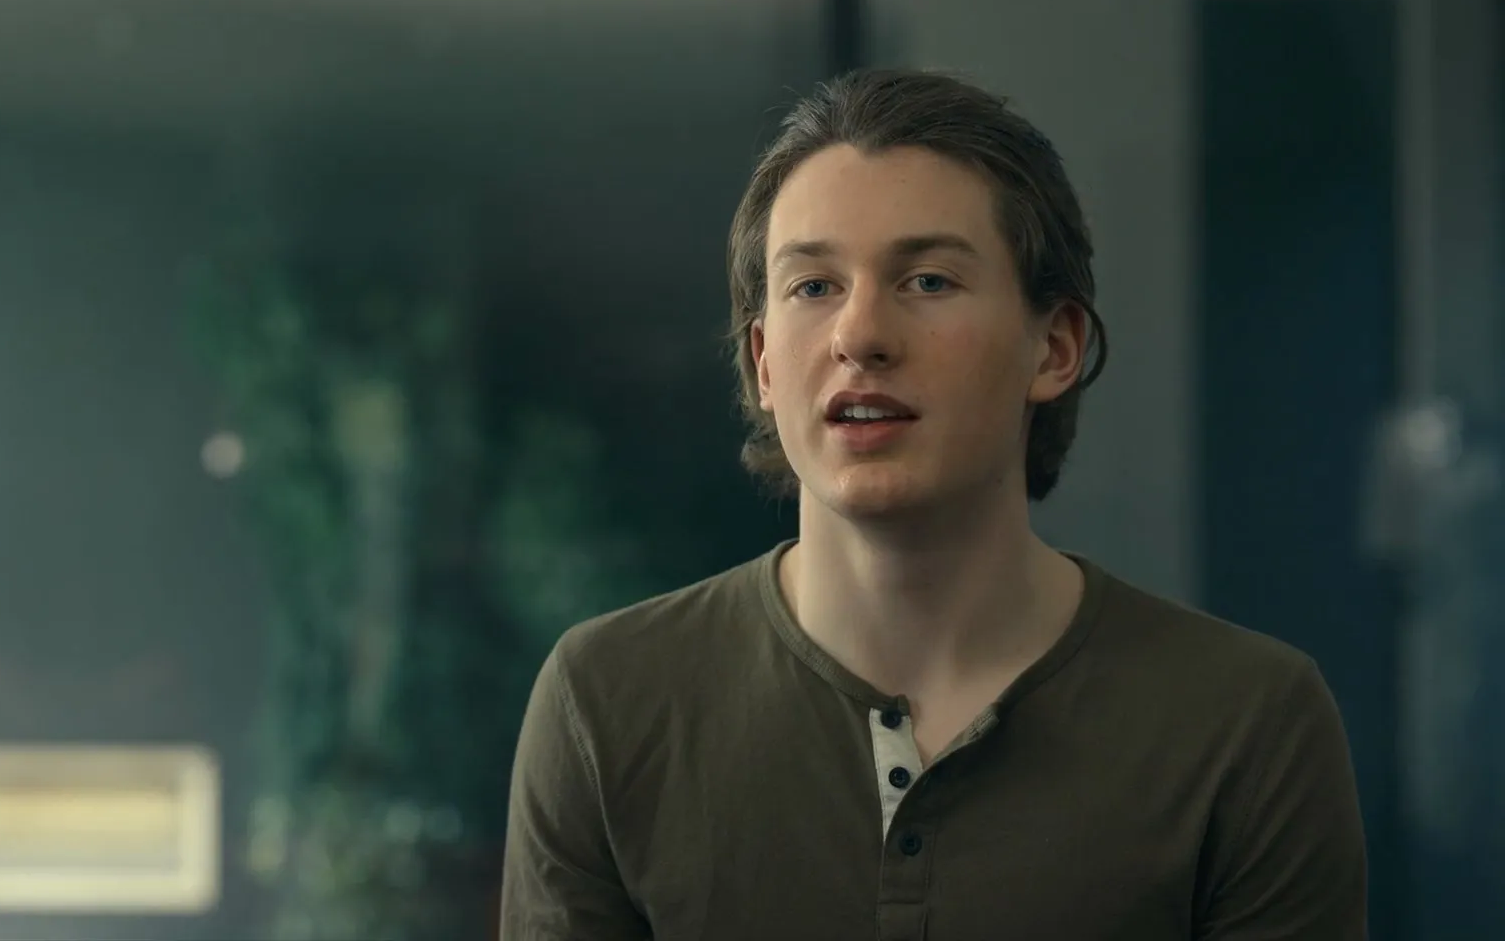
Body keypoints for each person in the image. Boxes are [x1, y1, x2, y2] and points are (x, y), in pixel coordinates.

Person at [499, 69, 1367, 940]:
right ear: (763, 363)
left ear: (1055, 347)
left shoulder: (1246, 721)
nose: (860, 336)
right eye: (813, 286)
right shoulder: (607, 703)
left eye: (927, 281)